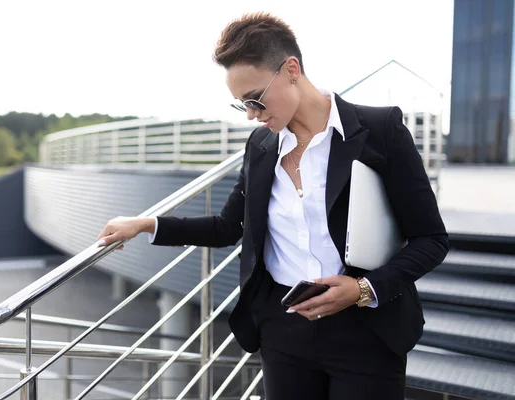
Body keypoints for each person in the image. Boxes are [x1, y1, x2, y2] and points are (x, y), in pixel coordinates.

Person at [97, 12, 449, 400]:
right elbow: (226, 227)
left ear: (291, 69)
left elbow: (431, 239)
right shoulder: (261, 147)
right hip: (284, 332)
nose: (251, 114)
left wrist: (363, 289)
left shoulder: (380, 131)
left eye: (255, 99)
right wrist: (147, 224)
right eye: (241, 105)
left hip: (366, 331)